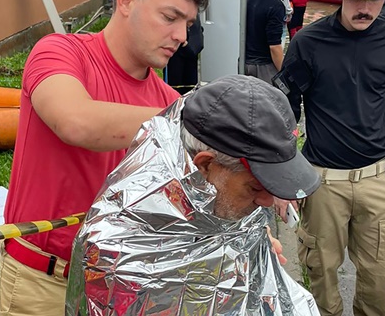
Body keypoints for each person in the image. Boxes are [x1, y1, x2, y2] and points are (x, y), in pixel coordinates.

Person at [0, 0, 208, 316]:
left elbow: (191, 196)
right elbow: (75, 121)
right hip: (40, 284)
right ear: (125, 1)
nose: (182, 37)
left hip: (121, 286)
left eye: (187, 24)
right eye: (170, 17)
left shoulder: (169, 101)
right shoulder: (59, 53)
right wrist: (195, 119)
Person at [66, 75, 322, 315]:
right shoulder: (114, 251)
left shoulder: (229, 198)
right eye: (255, 188)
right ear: (206, 165)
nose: (266, 203)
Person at [273, 0, 385, 316]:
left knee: (380, 276)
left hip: (379, 177)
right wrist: (283, 176)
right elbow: (285, 109)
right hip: (323, 182)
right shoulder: (309, 43)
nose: (364, 8)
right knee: (320, 273)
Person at [245, 0, 303, 83]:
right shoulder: (276, 5)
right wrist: (284, 73)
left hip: (245, 63)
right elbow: (274, 46)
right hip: (263, 67)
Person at [165, 14, 203, 95]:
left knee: (189, 85)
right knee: (175, 85)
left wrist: (190, 44)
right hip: (176, 52)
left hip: (190, 46)